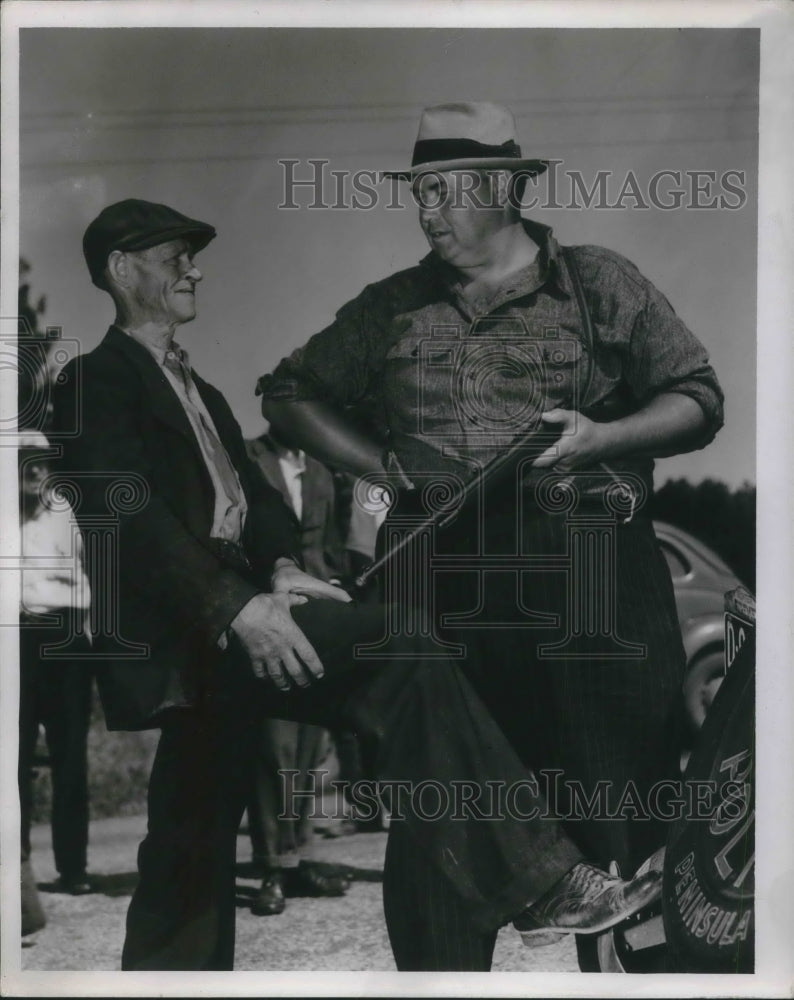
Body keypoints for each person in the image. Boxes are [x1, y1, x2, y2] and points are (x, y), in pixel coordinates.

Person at [52, 197, 661, 972]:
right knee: (396, 651)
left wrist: (281, 565)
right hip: (194, 629)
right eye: (175, 259)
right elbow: (126, 515)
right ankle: (540, 880)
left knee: (189, 837)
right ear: (120, 269)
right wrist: (236, 609)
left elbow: (256, 500)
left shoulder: (200, 390)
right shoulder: (92, 382)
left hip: (239, 617)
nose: (194, 271)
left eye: (191, 258)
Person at [258, 103, 725, 969]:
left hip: (588, 589)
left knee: (623, 840)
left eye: (446, 190)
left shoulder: (599, 282)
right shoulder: (390, 307)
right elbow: (288, 394)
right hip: (440, 591)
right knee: (438, 835)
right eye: (419, 191)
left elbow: (697, 398)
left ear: (506, 189)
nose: (426, 209)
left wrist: (602, 437)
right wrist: (384, 465)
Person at [244, 428, 349, 914]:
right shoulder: (249, 457)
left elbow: (331, 545)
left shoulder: (322, 468)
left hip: (316, 613)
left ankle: (300, 857)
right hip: (269, 612)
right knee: (273, 746)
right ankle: (271, 865)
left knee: (310, 744)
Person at [18, 431, 95, 898]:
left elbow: (97, 576)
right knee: (14, 757)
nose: (35, 471)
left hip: (65, 639)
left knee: (70, 756)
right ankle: (17, 867)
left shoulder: (71, 512)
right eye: (24, 462)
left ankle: (74, 868)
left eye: (42, 462)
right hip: (14, 639)